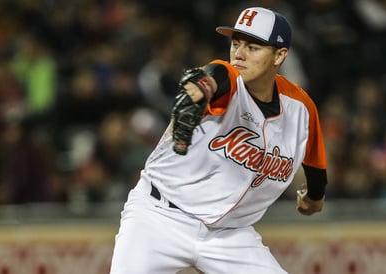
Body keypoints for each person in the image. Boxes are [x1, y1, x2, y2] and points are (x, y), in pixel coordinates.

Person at [110, 7, 328, 274]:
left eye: (253, 47)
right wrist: (197, 90)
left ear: (280, 55)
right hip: (158, 217)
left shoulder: (301, 107)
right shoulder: (229, 79)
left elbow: (315, 165)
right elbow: (212, 77)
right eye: (236, 43)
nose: (239, 53)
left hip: (231, 237)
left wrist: (314, 198)